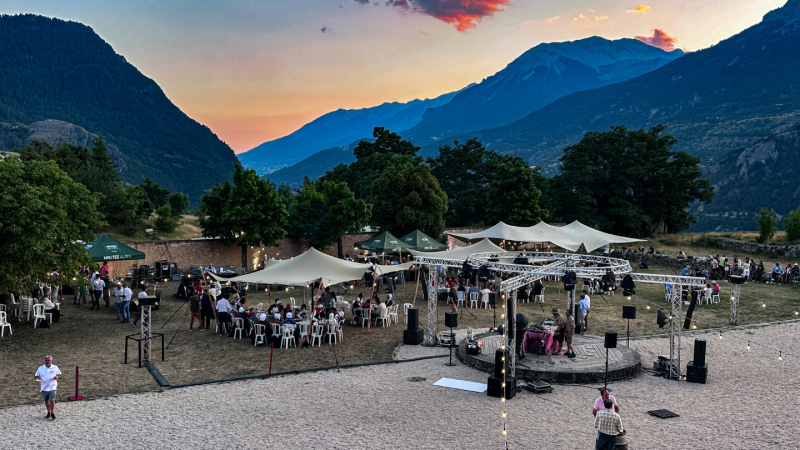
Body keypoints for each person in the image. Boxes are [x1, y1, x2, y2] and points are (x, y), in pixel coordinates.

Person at [35, 356, 62, 420]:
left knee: (52, 400)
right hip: (44, 387)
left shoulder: (55, 367)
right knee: (46, 400)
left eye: (48, 360)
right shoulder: (40, 368)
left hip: (52, 386)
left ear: (51, 361)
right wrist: (36, 378)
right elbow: (36, 375)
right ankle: (48, 412)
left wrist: (57, 377)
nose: (47, 361)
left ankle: (52, 413)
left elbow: (59, 374)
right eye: (46, 360)